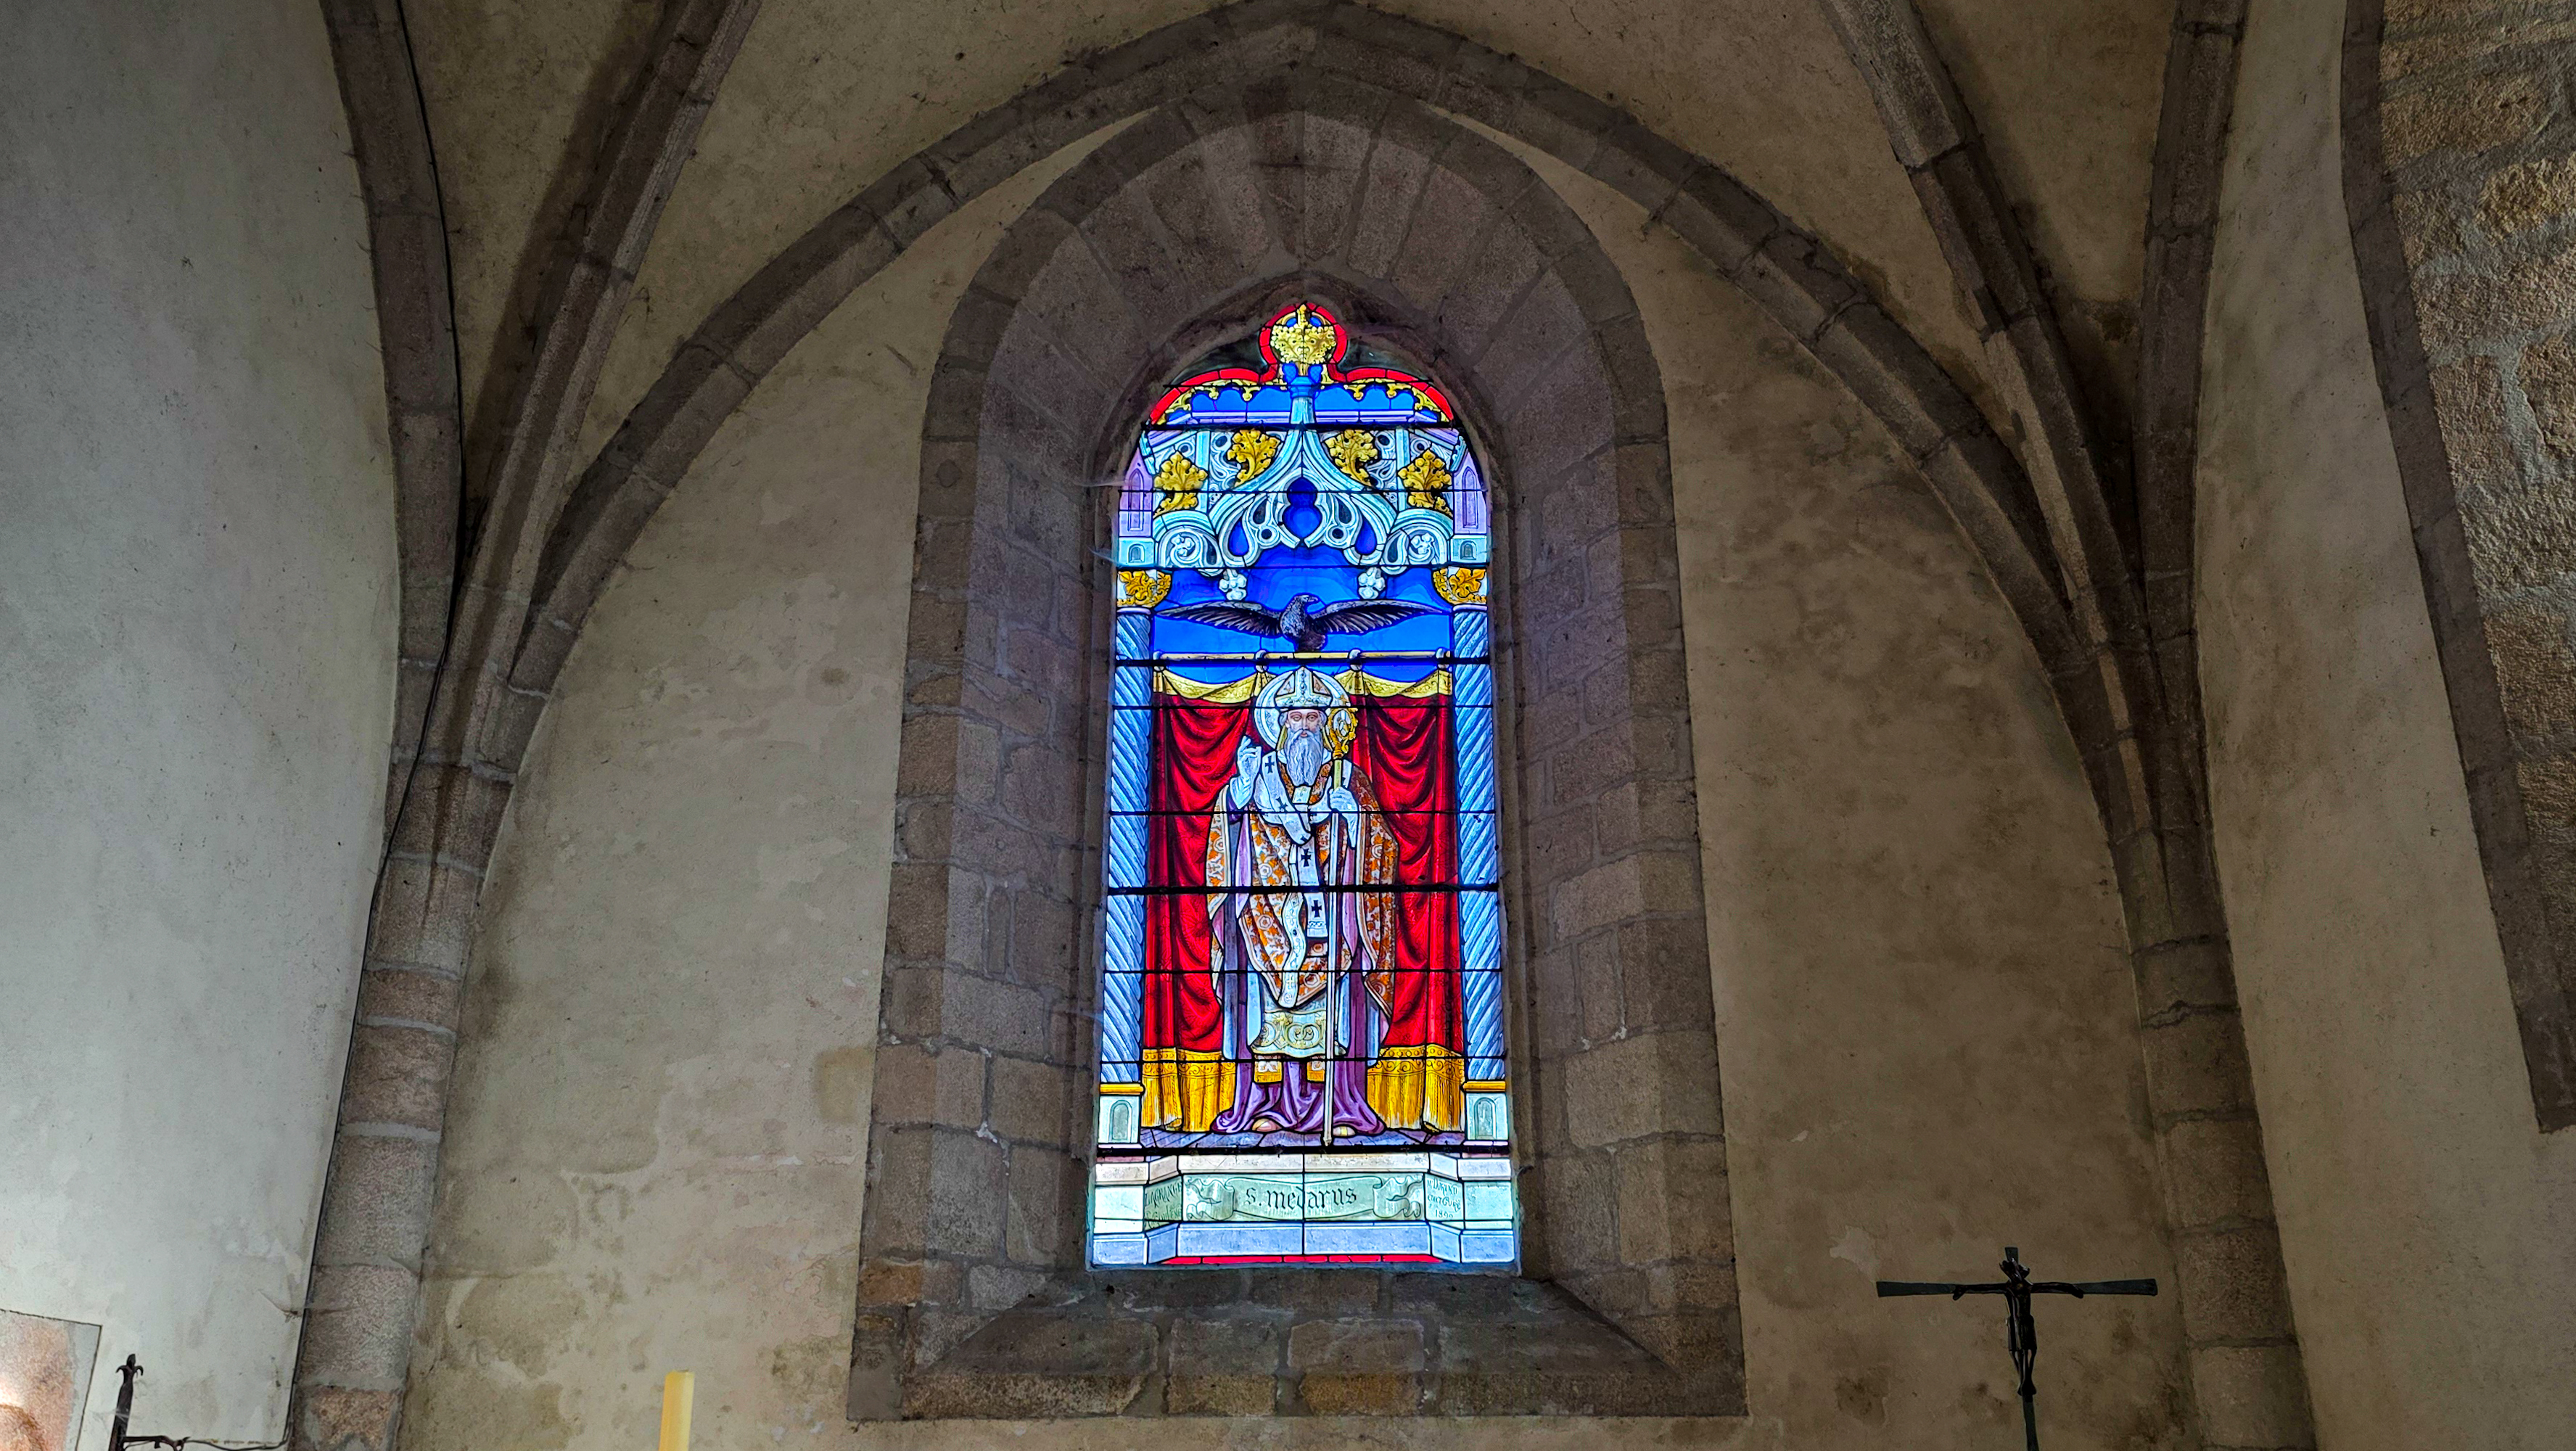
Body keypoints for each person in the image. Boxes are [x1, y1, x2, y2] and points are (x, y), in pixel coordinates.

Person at [1204, 668, 1399, 1139]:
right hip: (1266, 924)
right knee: (1268, 1023)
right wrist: (1236, 796)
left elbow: (1381, 851)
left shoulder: (1348, 779)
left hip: (1331, 925)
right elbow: (1223, 844)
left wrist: (1352, 818)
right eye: (1296, 718)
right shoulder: (1257, 778)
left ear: (1327, 723)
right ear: (1279, 724)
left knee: (1332, 1020)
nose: (1306, 728)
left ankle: (1338, 1107)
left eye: (1314, 717)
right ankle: (1266, 1105)